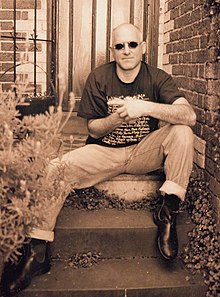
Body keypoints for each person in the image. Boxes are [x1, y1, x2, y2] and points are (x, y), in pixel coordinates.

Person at [2, 23, 196, 294]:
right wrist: (116, 118)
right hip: (103, 151)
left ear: (143, 46)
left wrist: (146, 107)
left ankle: (167, 212)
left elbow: (189, 116)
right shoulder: (99, 77)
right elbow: (92, 128)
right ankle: (37, 252)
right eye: (119, 46)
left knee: (182, 132)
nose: (126, 50)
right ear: (112, 50)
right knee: (56, 168)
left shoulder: (158, 77)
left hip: (143, 151)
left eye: (132, 44)